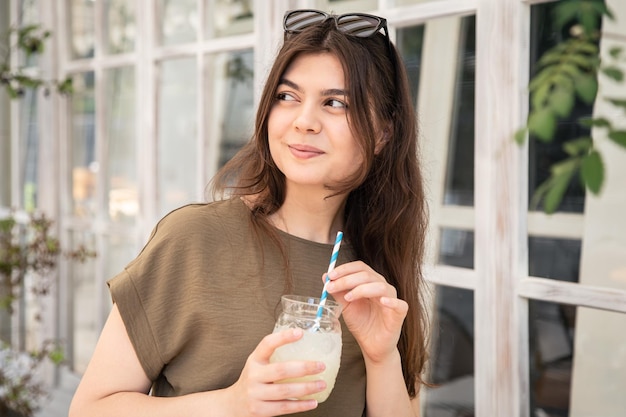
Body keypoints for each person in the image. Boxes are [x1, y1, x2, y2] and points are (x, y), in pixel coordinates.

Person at [69, 8, 429, 417]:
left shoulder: (377, 268)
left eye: (334, 103)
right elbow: (90, 408)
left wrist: (382, 358)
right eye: (287, 96)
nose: (304, 121)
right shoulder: (194, 239)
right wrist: (230, 403)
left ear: (383, 133)